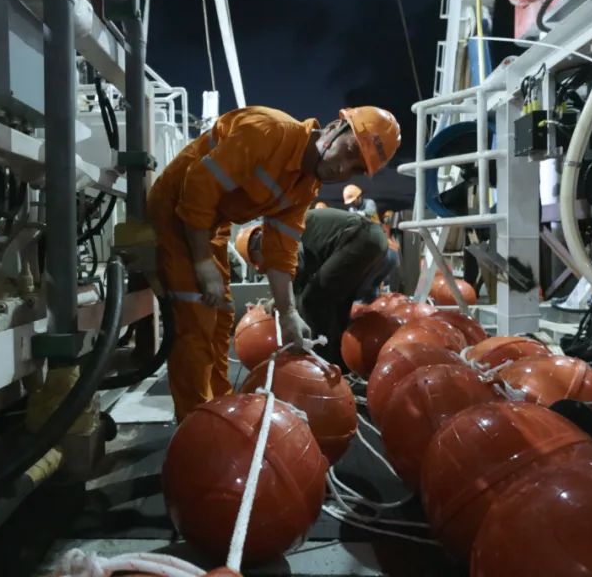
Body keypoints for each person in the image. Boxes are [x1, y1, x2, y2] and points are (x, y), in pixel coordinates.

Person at [147, 105, 401, 421]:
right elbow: (198, 186)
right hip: (174, 208)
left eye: (356, 169)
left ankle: (218, 410)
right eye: (349, 151)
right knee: (197, 318)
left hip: (210, 221)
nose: (342, 168)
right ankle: (194, 422)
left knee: (222, 315)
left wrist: (288, 312)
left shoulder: (306, 186)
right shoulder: (269, 132)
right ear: (336, 127)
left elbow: (281, 251)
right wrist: (201, 262)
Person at [235, 208, 395, 366]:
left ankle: (318, 364)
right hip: (372, 239)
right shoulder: (280, 231)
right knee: (337, 303)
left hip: (359, 239)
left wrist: (284, 303)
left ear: (254, 249)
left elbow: (298, 267)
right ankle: (341, 365)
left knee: (312, 300)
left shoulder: (276, 237)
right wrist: (281, 298)